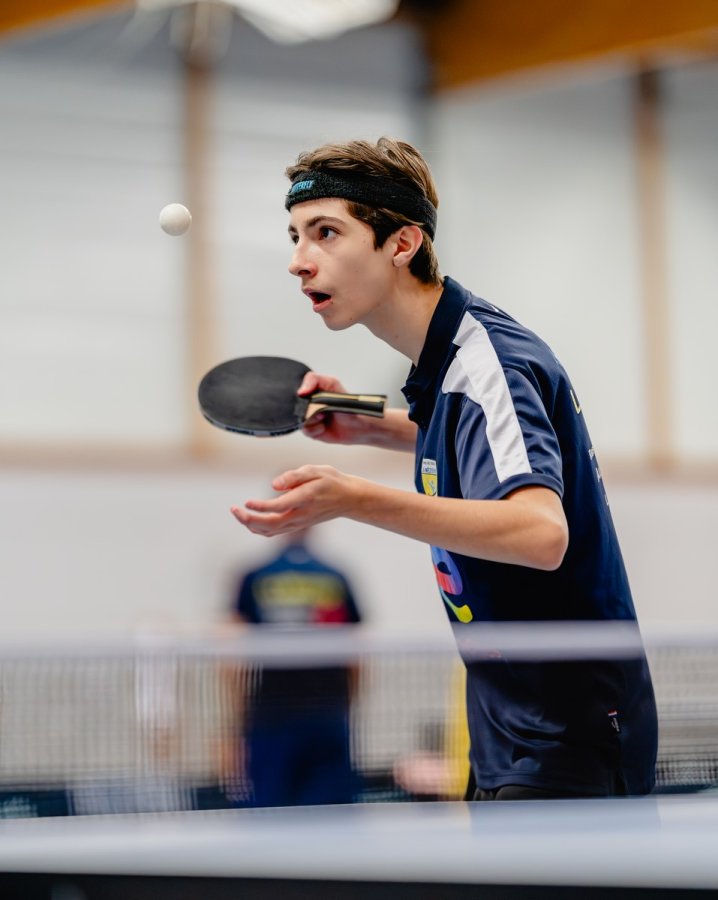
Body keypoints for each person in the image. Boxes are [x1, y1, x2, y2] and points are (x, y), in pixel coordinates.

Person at [230, 137, 658, 800]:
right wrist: (371, 423)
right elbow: (470, 437)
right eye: (295, 236)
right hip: (508, 722)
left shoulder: (488, 365)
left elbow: (539, 533)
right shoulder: (449, 364)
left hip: (567, 732)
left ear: (401, 243)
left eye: (325, 232)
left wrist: (352, 497)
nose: (298, 261)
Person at [229, 528, 362, 807]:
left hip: (274, 718)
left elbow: (233, 655)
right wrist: (349, 708)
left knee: (270, 814)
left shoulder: (257, 575)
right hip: (325, 715)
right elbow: (357, 654)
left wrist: (237, 719)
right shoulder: (334, 576)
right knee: (333, 816)